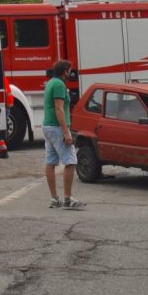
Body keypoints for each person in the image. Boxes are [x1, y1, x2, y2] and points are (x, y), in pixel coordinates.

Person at [43, 60, 85, 209]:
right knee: (71, 161)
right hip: (57, 127)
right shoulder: (60, 85)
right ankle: (68, 199)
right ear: (65, 71)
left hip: (48, 126)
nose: (71, 73)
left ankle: (54, 199)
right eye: (70, 70)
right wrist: (66, 132)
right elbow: (59, 109)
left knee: (51, 162)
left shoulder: (50, 83)